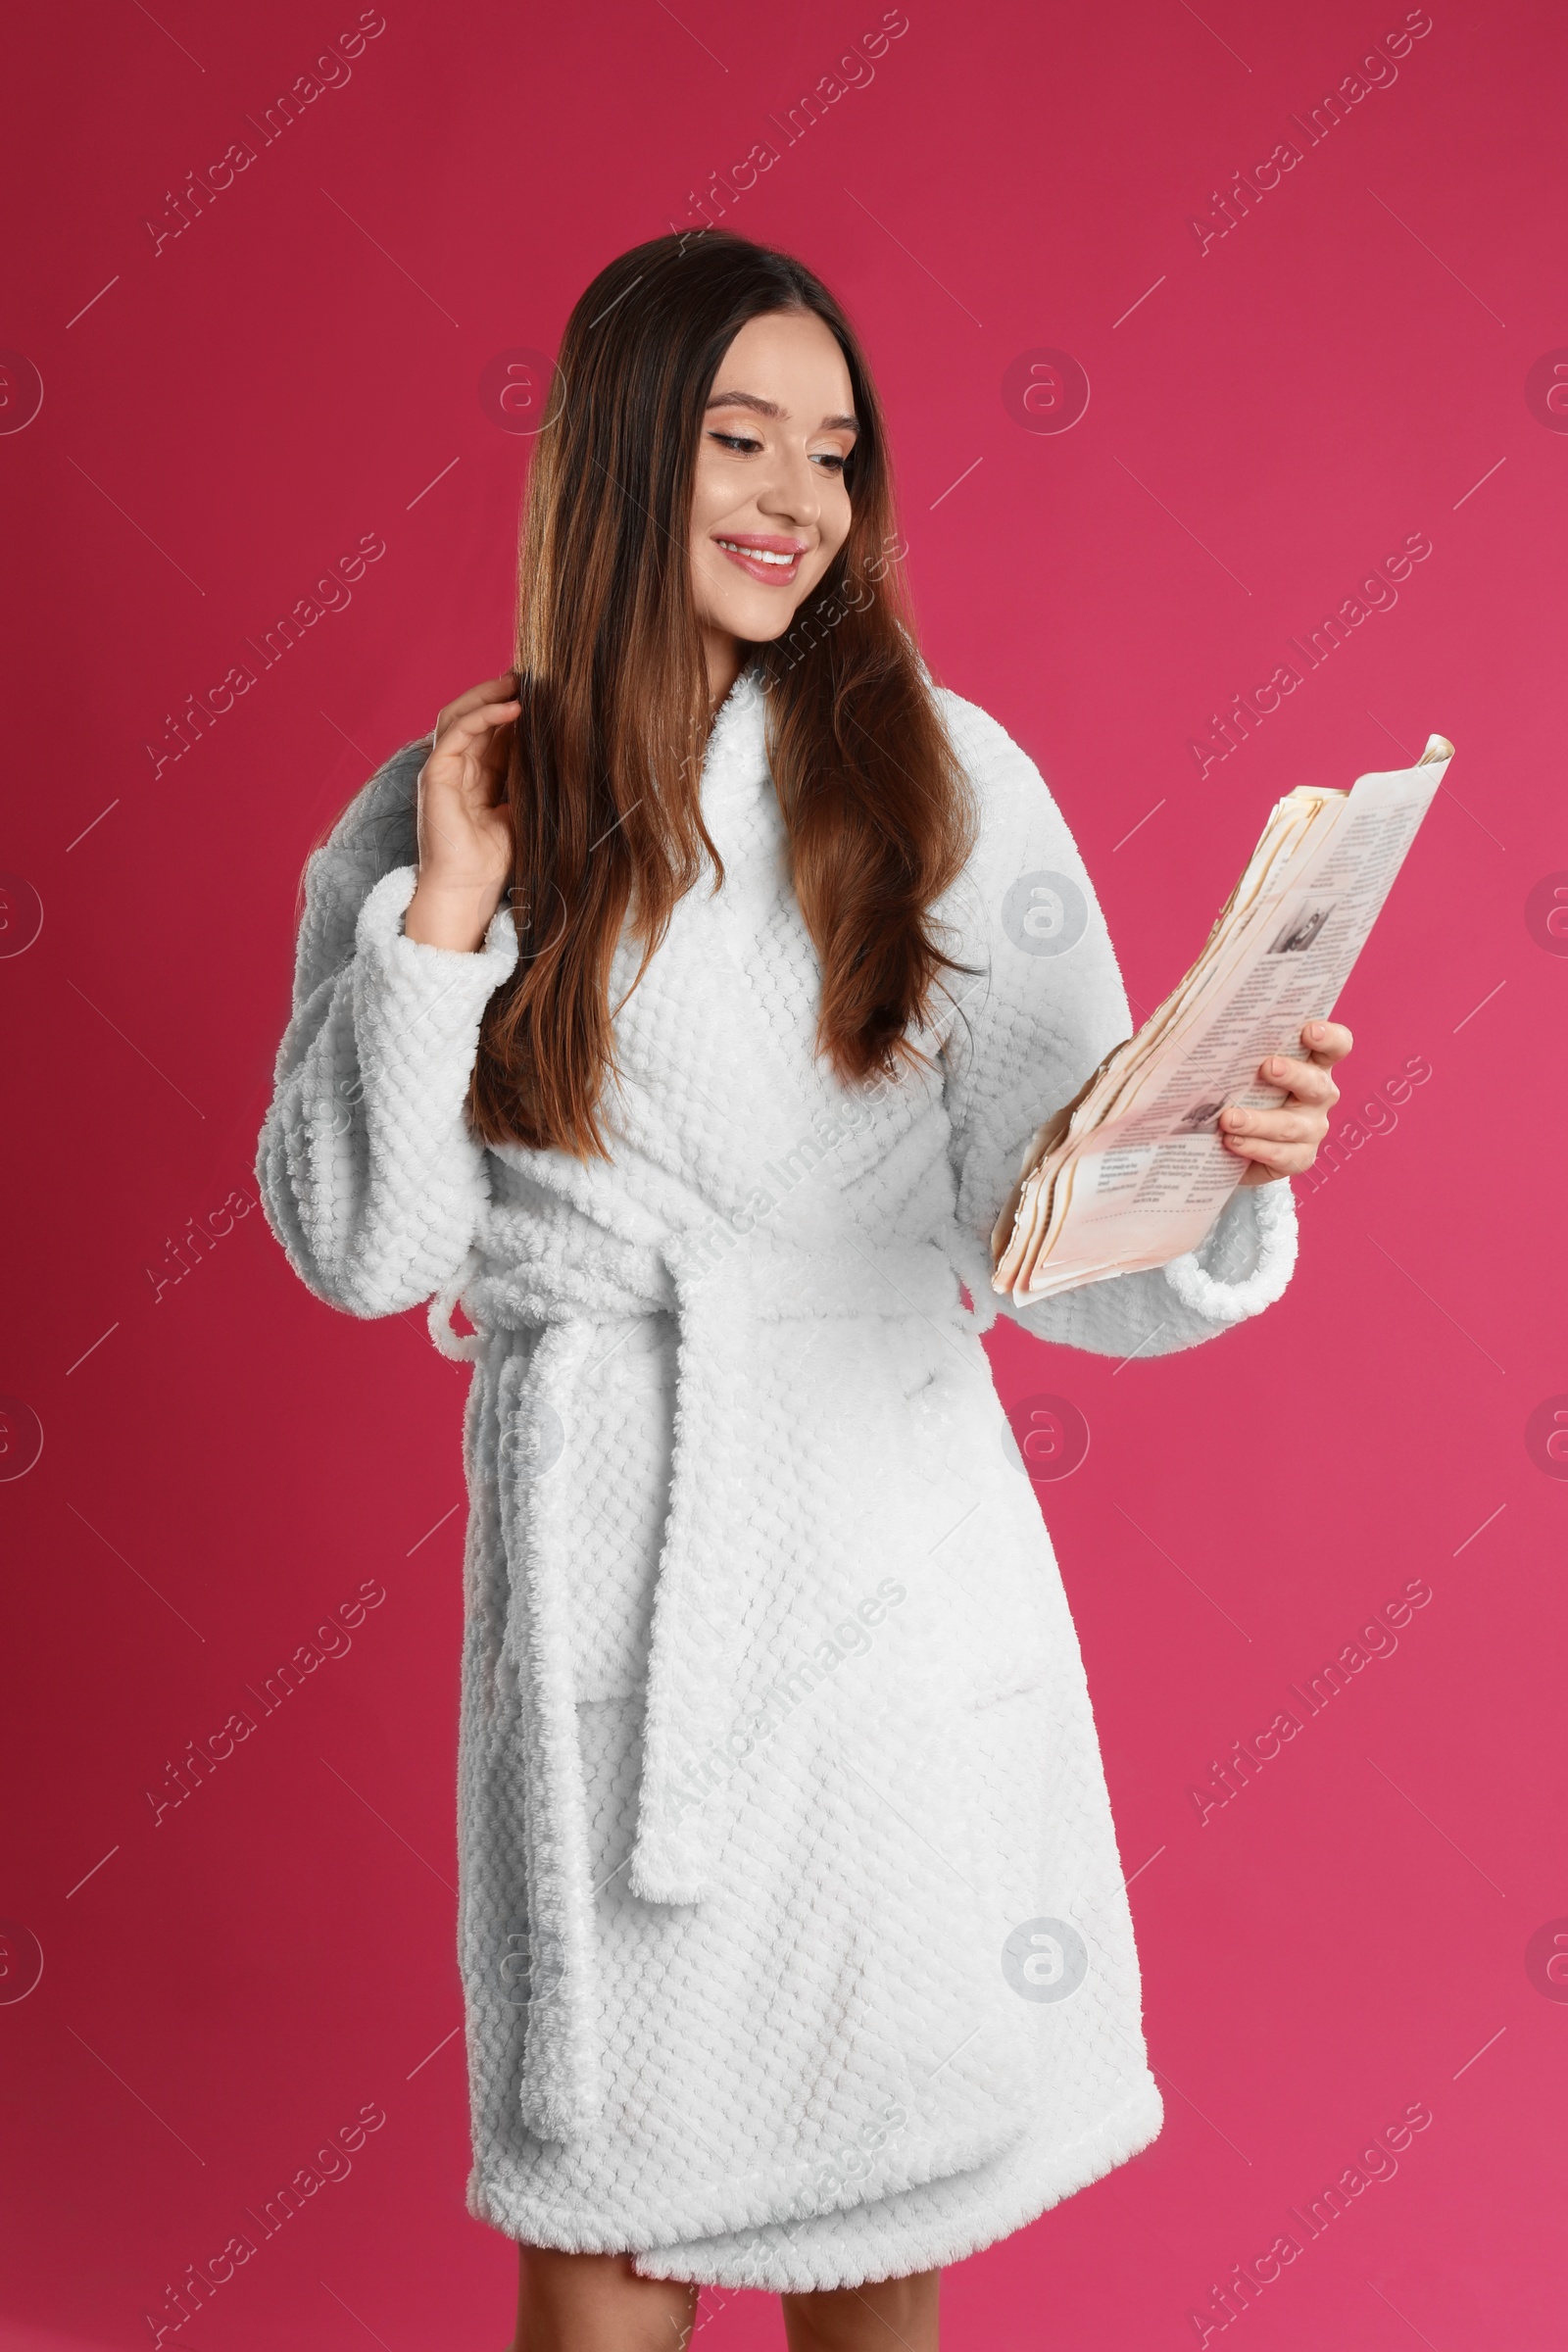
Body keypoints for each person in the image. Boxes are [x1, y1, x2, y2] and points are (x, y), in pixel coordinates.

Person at [256, 230, 1349, 2352]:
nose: (792, 499)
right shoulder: (449, 805)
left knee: (879, 2214)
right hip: (608, 1562)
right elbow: (358, 1245)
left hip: (887, 1568)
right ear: (618, 463)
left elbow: (1058, 1230)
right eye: (737, 439)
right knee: (603, 2229)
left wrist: (1216, 1155)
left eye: (831, 452)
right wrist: (445, 918)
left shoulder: (940, 782)